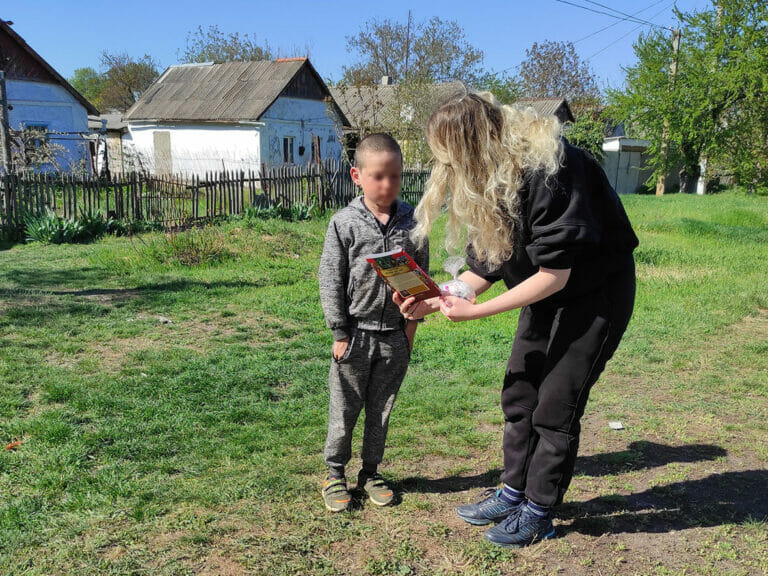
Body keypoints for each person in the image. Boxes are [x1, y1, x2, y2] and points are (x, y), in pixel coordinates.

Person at [394, 92, 639, 546]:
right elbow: (488, 262)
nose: (445, 169)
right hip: (546, 292)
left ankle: (540, 511)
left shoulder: (552, 169)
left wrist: (478, 312)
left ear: (474, 147)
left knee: (556, 404)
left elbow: (555, 274)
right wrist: (441, 297)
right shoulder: (496, 178)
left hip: (593, 293)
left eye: (450, 158)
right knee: (520, 390)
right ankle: (513, 491)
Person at [318, 133, 428, 512]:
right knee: (345, 409)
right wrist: (339, 332)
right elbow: (330, 278)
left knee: (381, 409)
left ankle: (371, 471)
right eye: (379, 176)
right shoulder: (344, 223)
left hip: (395, 337)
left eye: (395, 176)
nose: (387, 184)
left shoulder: (413, 221)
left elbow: (422, 281)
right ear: (357, 175)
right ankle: (335, 473)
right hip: (356, 337)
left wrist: (410, 330)